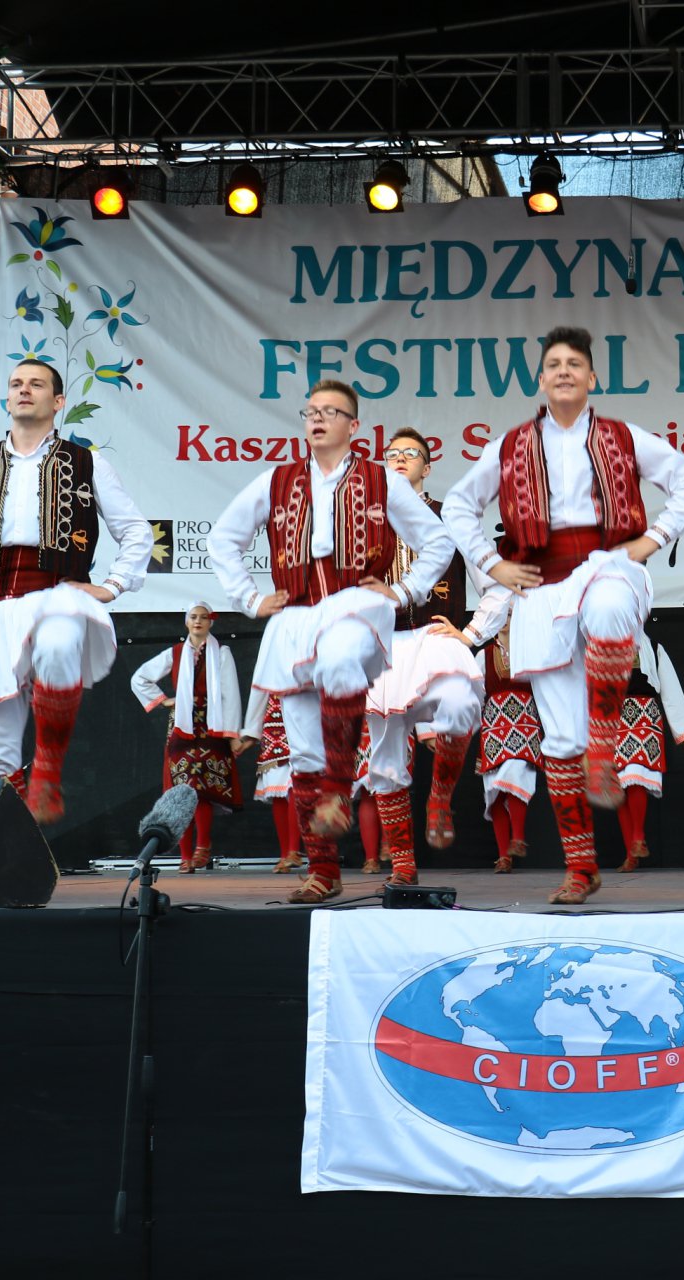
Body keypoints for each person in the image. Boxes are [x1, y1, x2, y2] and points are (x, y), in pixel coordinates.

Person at [440, 326, 684, 904]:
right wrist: (492, 563)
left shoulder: (624, 437)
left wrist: (654, 538)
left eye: (574, 364)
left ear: (592, 377)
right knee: (561, 739)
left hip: (607, 563)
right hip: (540, 584)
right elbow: (459, 505)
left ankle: (604, 745)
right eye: (554, 364)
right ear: (541, 378)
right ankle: (581, 868)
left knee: (610, 604)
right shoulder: (510, 446)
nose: (564, 371)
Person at [206, 379, 453, 904]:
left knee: (341, 659)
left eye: (330, 411)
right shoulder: (276, 481)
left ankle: (339, 790)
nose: (317, 418)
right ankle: (323, 870)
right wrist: (250, 598)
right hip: (295, 614)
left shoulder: (382, 480)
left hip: (356, 604)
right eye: (311, 411)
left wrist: (404, 591)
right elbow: (223, 538)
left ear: (353, 425)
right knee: (302, 753)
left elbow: (437, 541)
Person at [0, 358, 153, 823]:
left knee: (58, 644)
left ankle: (47, 769)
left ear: (58, 402)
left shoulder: (86, 462)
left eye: (36, 384)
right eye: (16, 383)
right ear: (7, 398)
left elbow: (136, 531)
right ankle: (13, 839)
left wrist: (113, 585)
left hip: (54, 595)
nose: (23, 390)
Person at [349, 426, 483, 887]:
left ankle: (440, 796)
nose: (400, 458)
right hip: (383, 643)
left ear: (428, 466)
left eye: (411, 453)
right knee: (385, 758)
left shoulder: (450, 517)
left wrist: (473, 632)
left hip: (434, 635)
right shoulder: (364, 520)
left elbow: (491, 578)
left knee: (461, 703)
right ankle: (403, 864)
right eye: (392, 454)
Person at [130, 603, 245, 872]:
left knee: (202, 787)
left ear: (211, 622)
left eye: (204, 617)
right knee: (183, 787)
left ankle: (202, 847)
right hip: (182, 725)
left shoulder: (222, 653)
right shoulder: (175, 653)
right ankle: (185, 855)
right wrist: (163, 700)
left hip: (211, 724)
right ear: (186, 621)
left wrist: (232, 734)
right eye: (193, 617)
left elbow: (230, 694)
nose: (198, 621)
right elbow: (140, 678)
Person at [610, 630, 684, 872]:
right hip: (614, 718)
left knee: (635, 774)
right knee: (618, 786)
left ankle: (638, 837)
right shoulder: (603, 646)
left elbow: (670, 689)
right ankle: (631, 853)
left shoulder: (654, 648)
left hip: (644, 717)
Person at [240, 688, 302, 874]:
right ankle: (287, 854)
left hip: (304, 714)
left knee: (298, 787)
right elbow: (259, 687)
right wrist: (251, 731)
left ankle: (294, 851)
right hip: (276, 723)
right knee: (279, 790)